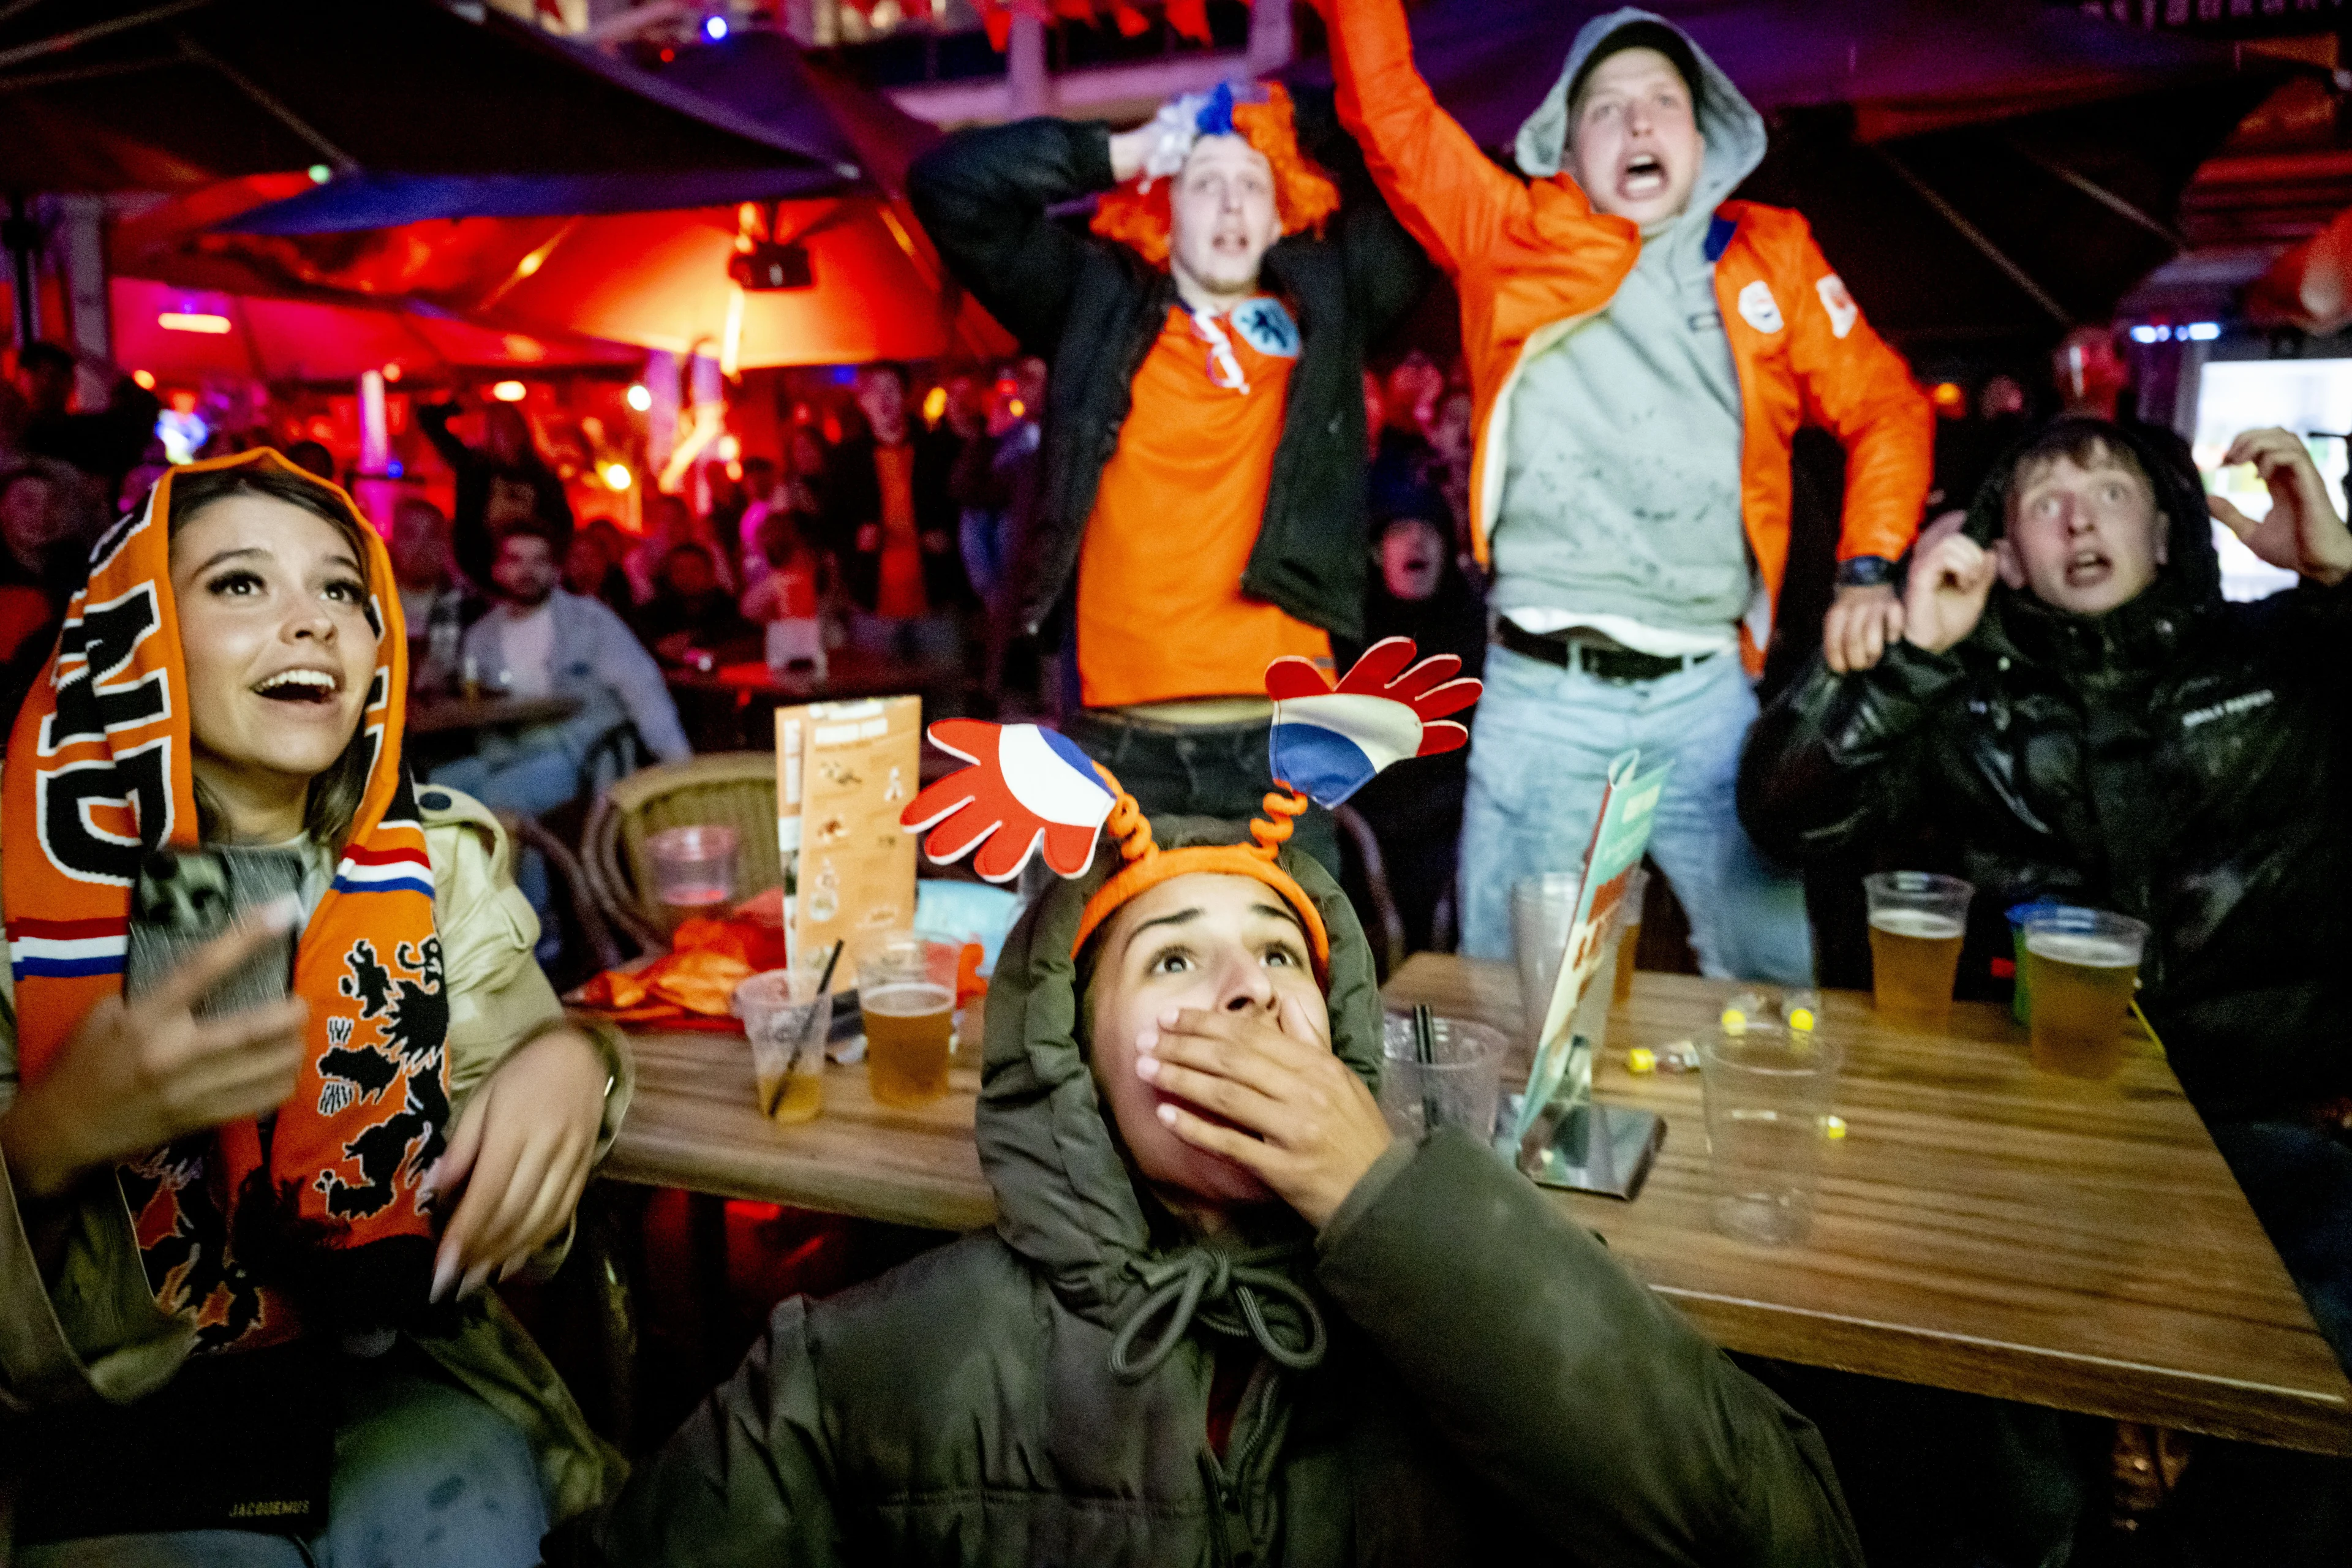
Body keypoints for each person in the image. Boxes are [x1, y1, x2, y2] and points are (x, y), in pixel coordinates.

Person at [591, 643, 1862, 1566]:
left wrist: (1385, 1196)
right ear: (1073, 1057)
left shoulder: (1485, 1286)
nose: (1247, 991)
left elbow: (1788, 1534)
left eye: (1280, 954)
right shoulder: (875, 1361)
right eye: (1173, 962)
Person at [1738, 418, 2352, 1562]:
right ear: (2007, 554)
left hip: (2263, 1127)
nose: (2079, 517)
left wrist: (2339, 578)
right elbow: (1782, 817)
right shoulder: (1969, 693)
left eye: (2111, 491)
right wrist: (1913, 654)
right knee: (1945, 1379)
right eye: (2043, 500)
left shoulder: (2286, 656)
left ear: (2165, 530)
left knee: (2316, 1401)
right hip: (2043, 1130)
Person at [0, 450, 630, 1564]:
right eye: (241, 583)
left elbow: (526, 1235)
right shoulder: (21, 904)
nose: (313, 621)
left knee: (460, 1504)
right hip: (95, 1435)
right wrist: (47, 1145)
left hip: (393, 1379)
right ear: (137, 634)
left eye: (342, 588)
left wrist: (572, 1064)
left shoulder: (436, 862)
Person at [1314, 1, 1932, 980]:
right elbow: (1390, 111)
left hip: (1707, 695)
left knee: (1774, 992)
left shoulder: (1769, 255)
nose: (1639, 122)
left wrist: (1869, 566)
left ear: (1704, 138)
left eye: (1663, 102)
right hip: (1542, 695)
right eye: (1606, 107)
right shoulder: (1508, 235)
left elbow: (1887, 406)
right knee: (1513, 998)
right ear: (1567, 149)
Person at [908, 81, 1430, 870]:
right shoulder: (1093, 302)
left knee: (1298, 945)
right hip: (1119, 736)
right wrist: (1124, 150)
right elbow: (948, 187)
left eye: (1253, 183)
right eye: (1204, 181)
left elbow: (1413, 176)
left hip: (1287, 734)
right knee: (1114, 948)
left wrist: (1287, 113)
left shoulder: (1330, 304)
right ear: (1163, 206)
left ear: (1283, 211)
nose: (1230, 204)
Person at [1336, 491, 1489, 954]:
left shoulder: (1473, 629)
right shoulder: (1345, 630)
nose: (1417, 542)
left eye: (1430, 531)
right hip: (1359, 819)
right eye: (1401, 530)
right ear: (1376, 551)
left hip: (1453, 821)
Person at [816, 363, 966, 661]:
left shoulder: (940, 450)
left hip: (936, 596)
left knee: (944, 684)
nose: (883, 400)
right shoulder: (845, 460)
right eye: (874, 392)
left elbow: (965, 508)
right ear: (862, 401)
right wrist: (855, 539)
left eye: (891, 390)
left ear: (906, 396)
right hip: (872, 601)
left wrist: (948, 536)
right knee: (880, 687)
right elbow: (828, 525)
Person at [420, 398, 574, 589]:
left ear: (523, 429)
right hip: (481, 572)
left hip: (530, 574)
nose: (506, 430)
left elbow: (563, 524)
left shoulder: (543, 477)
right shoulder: (475, 468)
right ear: (489, 430)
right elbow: (428, 420)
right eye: (498, 424)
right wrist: (461, 404)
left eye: (511, 423)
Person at [13, 341, 163, 505]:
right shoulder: (14, 435)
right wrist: (87, 359)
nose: (45, 383)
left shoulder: (83, 433)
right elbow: (143, 408)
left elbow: (143, 408)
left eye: (54, 376)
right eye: (36, 372)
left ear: (70, 382)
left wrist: (85, 357)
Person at [390, 497, 481, 693]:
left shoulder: (471, 609)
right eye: (410, 534)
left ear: (446, 544)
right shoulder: (372, 605)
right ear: (393, 541)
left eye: (432, 535)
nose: (421, 546)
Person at [633, 540, 760, 668]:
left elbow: (745, 640)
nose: (687, 577)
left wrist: (695, 638)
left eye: (695, 569)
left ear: (710, 573)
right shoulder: (655, 612)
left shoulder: (729, 608)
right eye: (679, 570)